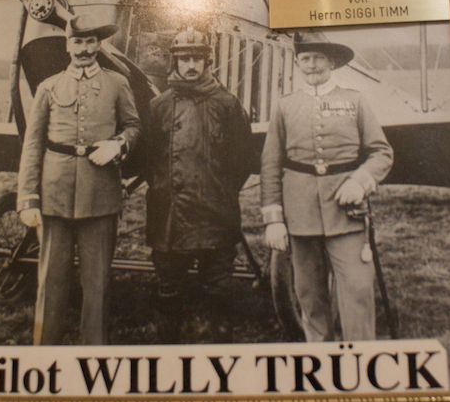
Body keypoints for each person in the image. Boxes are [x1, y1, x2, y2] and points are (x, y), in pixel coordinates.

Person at [16, 14, 141, 344]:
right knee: (51, 279)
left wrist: (118, 144)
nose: (84, 49)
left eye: (90, 42)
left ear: (99, 45)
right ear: (67, 45)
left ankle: (93, 350)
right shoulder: (49, 87)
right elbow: (33, 146)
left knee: (97, 281)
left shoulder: (118, 83)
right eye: (77, 42)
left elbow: (134, 126)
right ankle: (44, 350)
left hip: (100, 195)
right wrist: (28, 198)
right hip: (54, 195)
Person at [260, 31, 393, 341]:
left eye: (318, 57)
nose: (312, 65)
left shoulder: (355, 101)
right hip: (300, 216)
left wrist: (360, 182)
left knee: (357, 291)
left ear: (332, 61)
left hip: (347, 215)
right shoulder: (284, 106)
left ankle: (361, 362)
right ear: (297, 63)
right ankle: (321, 358)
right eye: (304, 59)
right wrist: (274, 220)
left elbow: (381, 152)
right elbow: (270, 164)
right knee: (309, 294)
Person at [144, 27, 255, 341]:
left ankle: (218, 341)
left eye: (197, 59)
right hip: (168, 215)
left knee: (217, 287)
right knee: (168, 288)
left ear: (207, 62)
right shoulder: (159, 107)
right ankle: (168, 341)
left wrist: (219, 189)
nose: (191, 65)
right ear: (175, 62)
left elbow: (244, 159)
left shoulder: (227, 104)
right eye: (185, 59)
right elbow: (149, 159)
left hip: (215, 213)